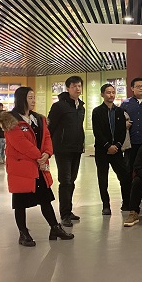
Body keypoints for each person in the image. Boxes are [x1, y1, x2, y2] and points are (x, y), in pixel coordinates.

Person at [0, 87, 73, 246]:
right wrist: (40, 156)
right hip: (21, 168)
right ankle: (23, 233)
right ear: (21, 99)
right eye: (30, 97)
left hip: (38, 166)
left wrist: (47, 153)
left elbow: (47, 137)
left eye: (33, 97)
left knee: (45, 198)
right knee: (20, 202)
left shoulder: (38, 118)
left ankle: (55, 228)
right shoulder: (10, 120)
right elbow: (20, 143)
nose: (33, 100)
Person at [47, 75, 85, 227]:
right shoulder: (59, 106)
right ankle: (64, 215)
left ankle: (68, 210)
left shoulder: (81, 107)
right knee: (65, 181)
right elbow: (50, 127)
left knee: (72, 181)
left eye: (79, 86)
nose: (77, 88)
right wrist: (49, 148)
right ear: (68, 88)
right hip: (63, 149)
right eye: (74, 86)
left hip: (76, 149)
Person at [92, 83, 132, 215]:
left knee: (124, 176)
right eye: (108, 92)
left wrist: (117, 146)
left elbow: (122, 131)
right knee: (103, 179)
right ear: (102, 94)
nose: (111, 95)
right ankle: (106, 205)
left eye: (113, 92)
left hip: (117, 150)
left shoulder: (120, 111)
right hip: (102, 150)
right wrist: (107, 146)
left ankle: (126, 203)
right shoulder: (97, 111)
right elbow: (97, 132)